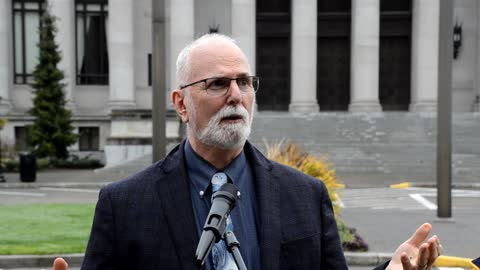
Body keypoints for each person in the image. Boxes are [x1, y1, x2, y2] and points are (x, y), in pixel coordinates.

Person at [53, 34, 442, 270]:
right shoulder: (124, 205)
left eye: (244, 81)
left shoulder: (305, 196)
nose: (236, 95)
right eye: (218, 83)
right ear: (182, 103)